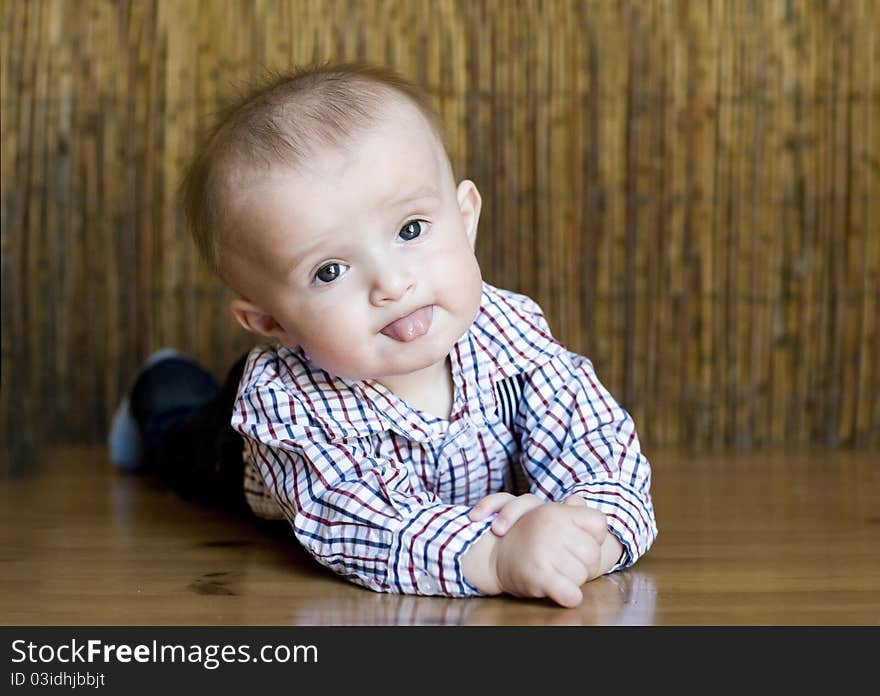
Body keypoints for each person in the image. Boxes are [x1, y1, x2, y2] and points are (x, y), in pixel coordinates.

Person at [110, 61, 657, 608]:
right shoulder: (285, 403)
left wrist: (590, 531)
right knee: (177, 437)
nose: (392, 284)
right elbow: (358, 523)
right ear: (271, 322)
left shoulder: (509, 330)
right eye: (329, 271)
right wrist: (490, 557)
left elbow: (593, 441)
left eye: (410, 230)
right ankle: (157, 388)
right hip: (228, 452)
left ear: (465, 219)